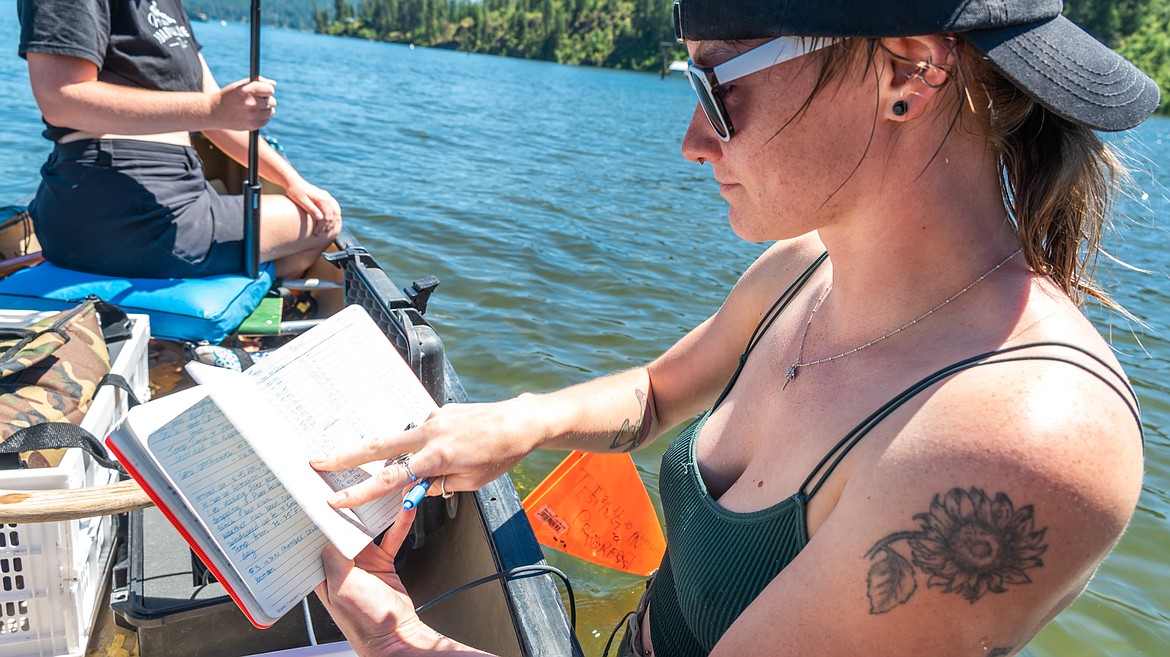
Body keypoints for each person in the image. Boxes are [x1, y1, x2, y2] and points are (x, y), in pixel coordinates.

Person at [310, 1, 1158, 655]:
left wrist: (393, 636)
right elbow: (652, 395)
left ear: (908, 73)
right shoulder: (805, 268)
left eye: (715, 86)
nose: (690, 141)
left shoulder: (1020, 441)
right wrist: (516, 421)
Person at [17, 0, 341, 280]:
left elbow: (216, 117)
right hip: (147, 211)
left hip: (93, 213)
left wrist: (293, 181)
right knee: (320, 223)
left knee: (306, 206)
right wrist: (213, 109)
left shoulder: (166, 6)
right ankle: (248, 298)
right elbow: (60, 99)